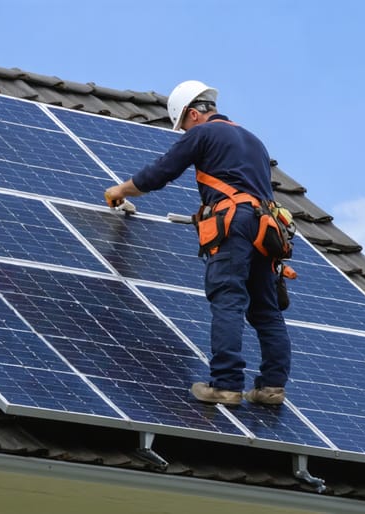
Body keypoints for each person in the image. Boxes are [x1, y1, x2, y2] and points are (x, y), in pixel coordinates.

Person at [104, 80, 291, 407]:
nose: (184, 132)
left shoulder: (203, 134)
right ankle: (272, 387)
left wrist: (121, 190)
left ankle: (226, 384)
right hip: (266, 228)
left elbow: (160, 173)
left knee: (228, 298)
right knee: (266, 309)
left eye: (183, 126)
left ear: (193, 113)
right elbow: (246, 189)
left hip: (234, 225)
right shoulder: (254, 141)